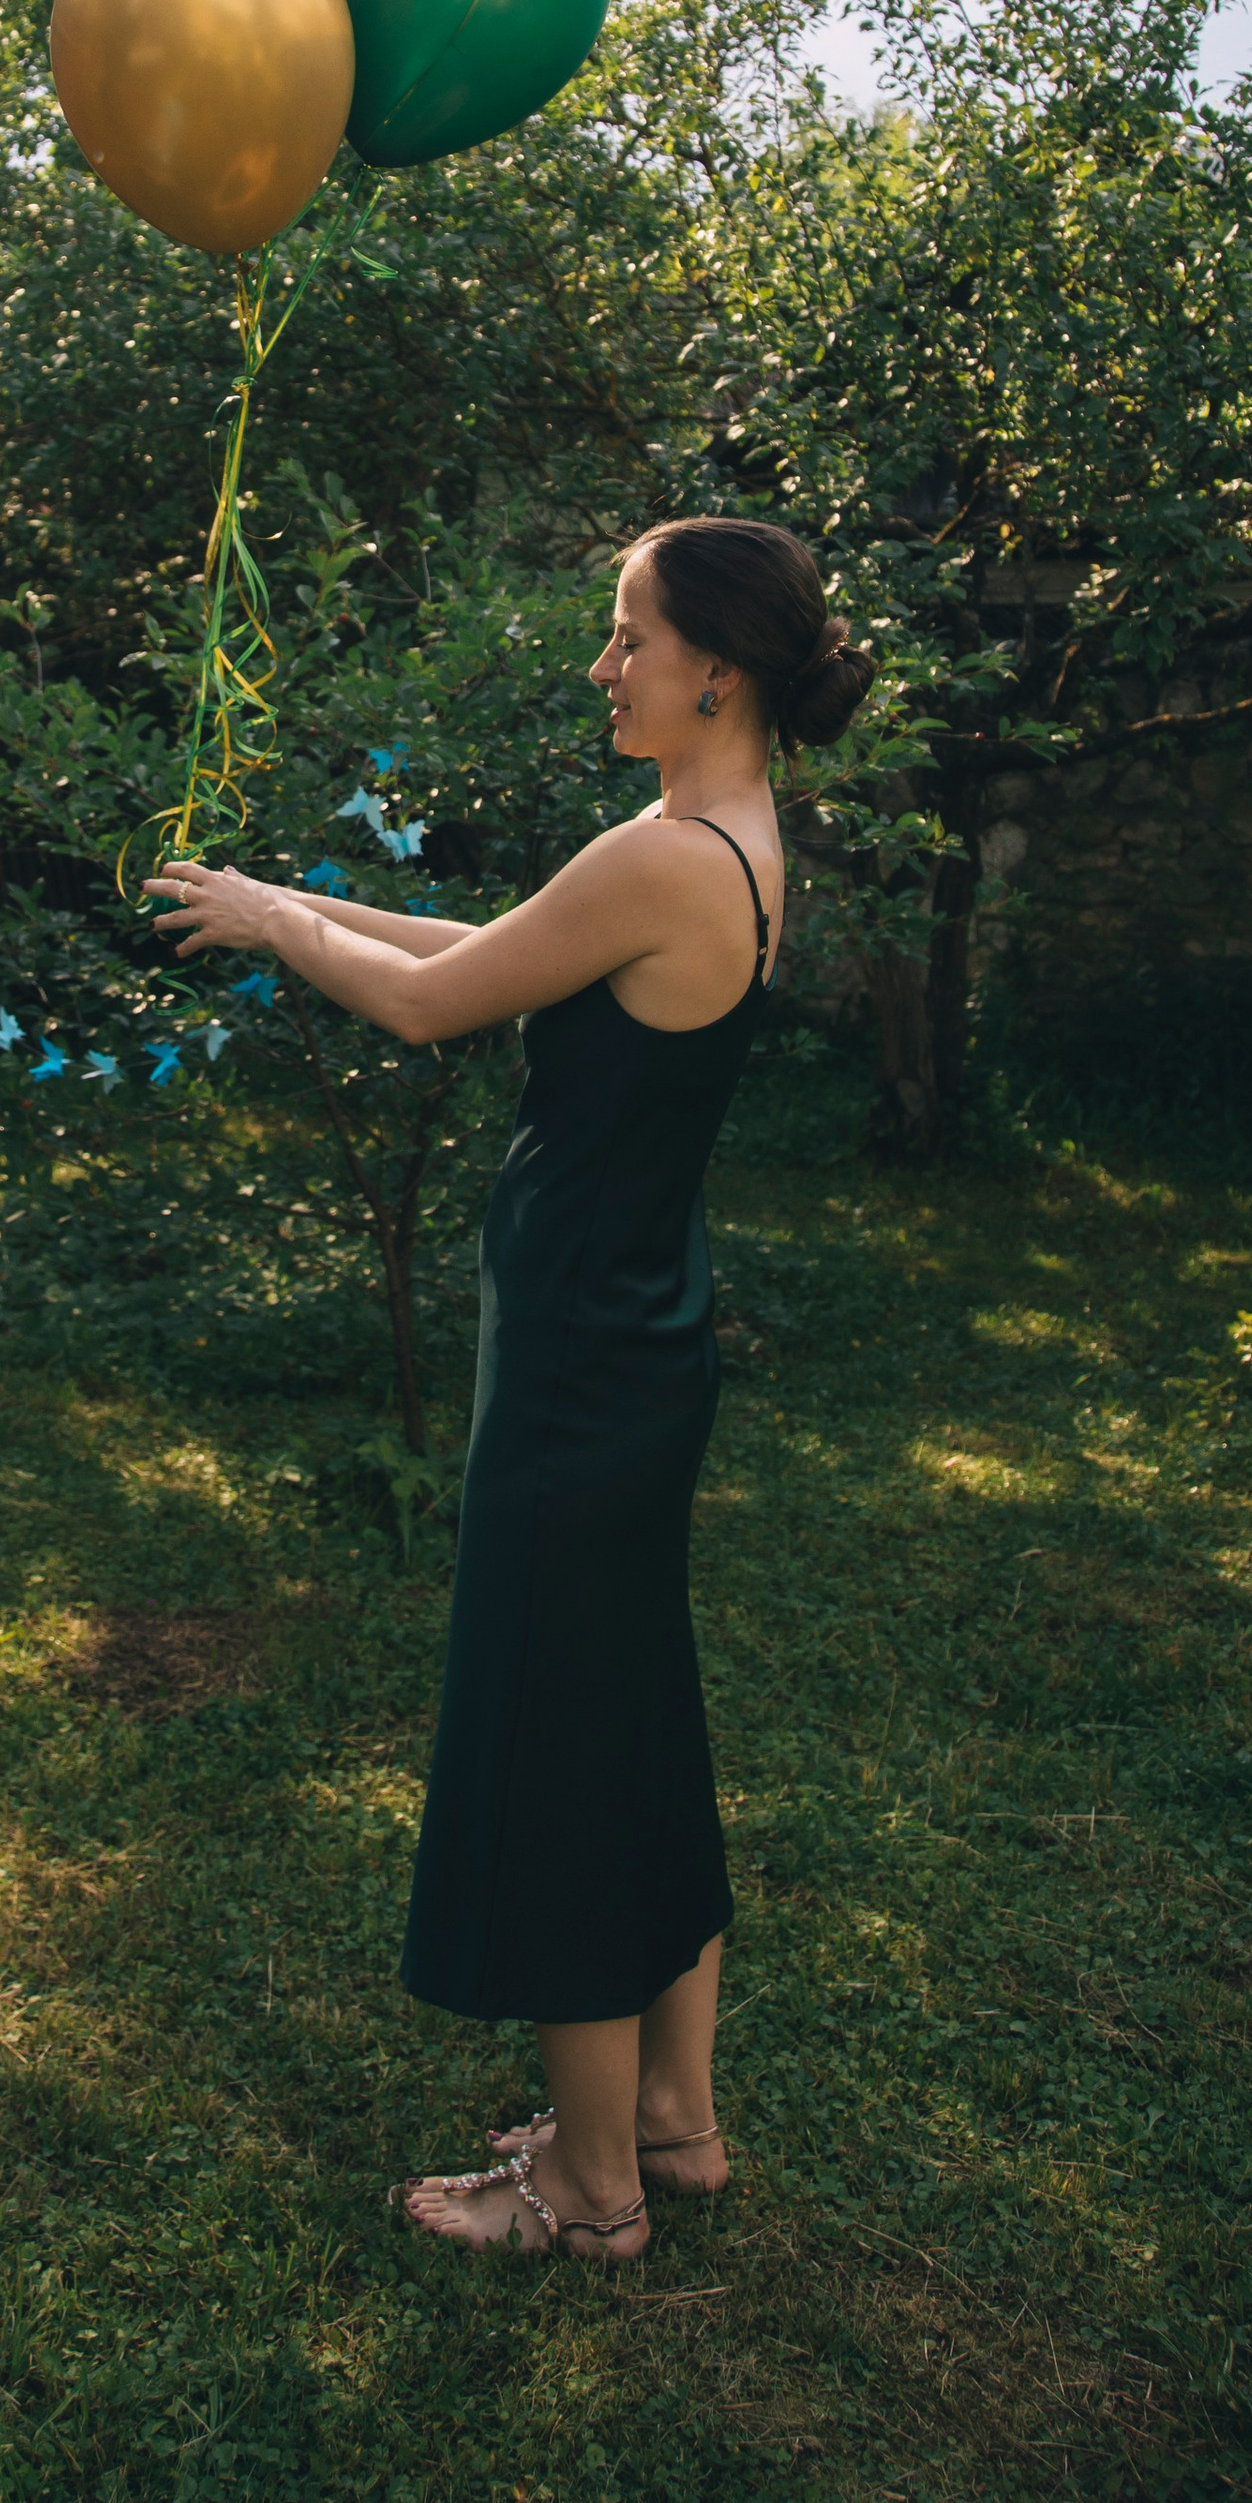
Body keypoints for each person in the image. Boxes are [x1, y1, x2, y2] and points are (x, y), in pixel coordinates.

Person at [148, 516, 872, 2261]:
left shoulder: (670, 855)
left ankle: (589, 2190)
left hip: (576, 1366)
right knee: (634, 1720)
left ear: (718, 670)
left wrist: (274, 924)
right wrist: (293, 906)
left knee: (561, 1744)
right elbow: (498, 944)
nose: (603, 666)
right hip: (635, 1333)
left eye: (629, 637)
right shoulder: (725, 839)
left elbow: (429, 1010)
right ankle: (676, 2122)